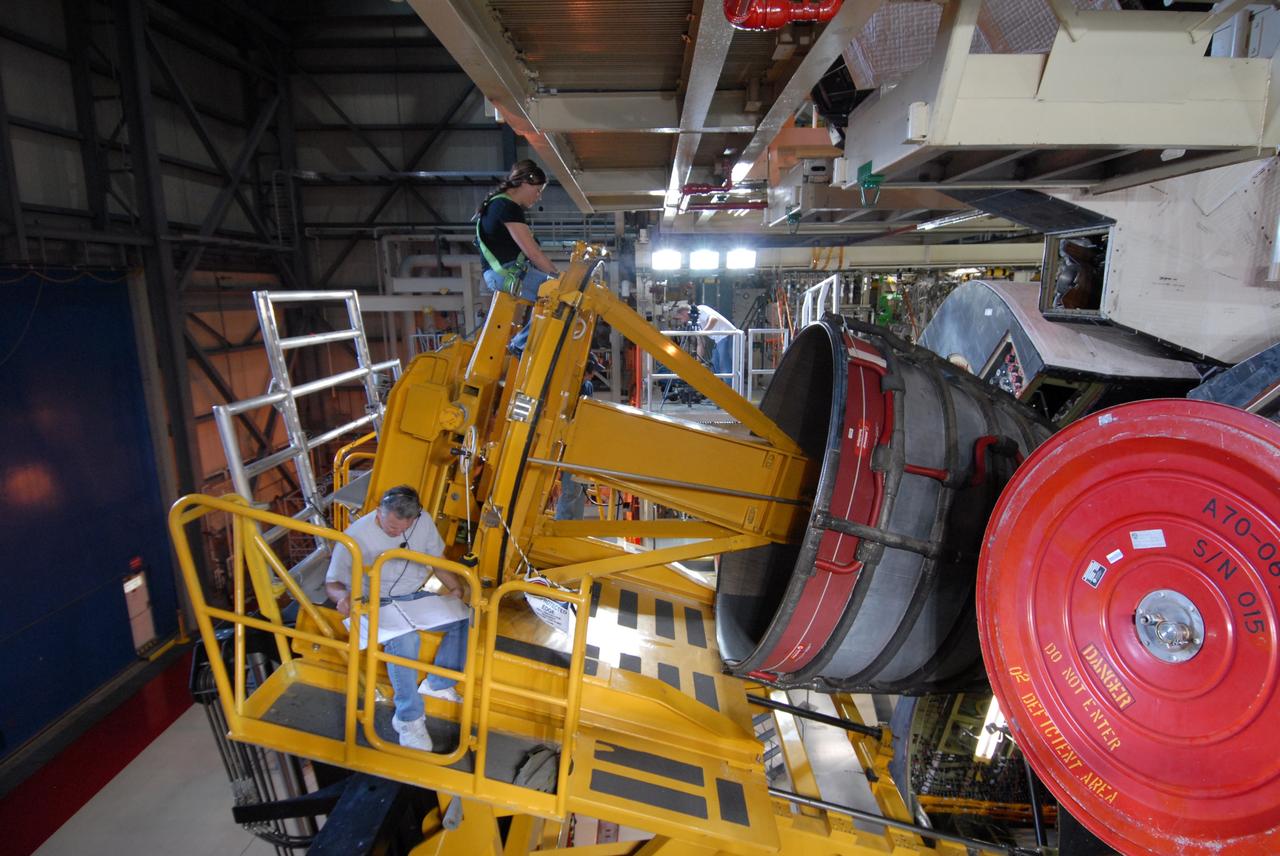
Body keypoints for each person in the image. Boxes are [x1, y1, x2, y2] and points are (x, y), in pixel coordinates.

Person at [324, 485, 469, 752]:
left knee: (464, 617)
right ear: (379, 511)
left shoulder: (422, 523)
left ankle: (438, 685)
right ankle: (408, 718)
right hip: (376, 601)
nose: (397, 532)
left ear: (415, 518)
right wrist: (342, 598)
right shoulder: (354, 537)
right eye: (391, 527)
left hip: (412, 596)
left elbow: (437, 559)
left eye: (403, 528)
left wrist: (456, 588)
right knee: (405, 640)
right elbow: (332, 583)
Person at [476, 160, 562, 353]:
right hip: (506, 273)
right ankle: (521, 343)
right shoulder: (507, 207)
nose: (538, 197)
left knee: (553, 297)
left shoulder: (497, 204)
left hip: (503, 272)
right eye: (538, 190)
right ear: (525, 183)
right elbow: (533, 253)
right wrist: (558, 278)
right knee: (562, 297)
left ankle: (525, 343)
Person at [675, 302, 738, 381]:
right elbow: (701, 343)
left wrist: (703, 332)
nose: (681, 321)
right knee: (715, 365)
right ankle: (720, 390)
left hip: (727, 335)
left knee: (725, 367)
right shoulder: (694, 322)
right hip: (719, 340)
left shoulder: (701, 309)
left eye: (680, 318)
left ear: (685, 313)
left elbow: (713, 319)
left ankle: (730, 391)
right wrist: (697, 362)